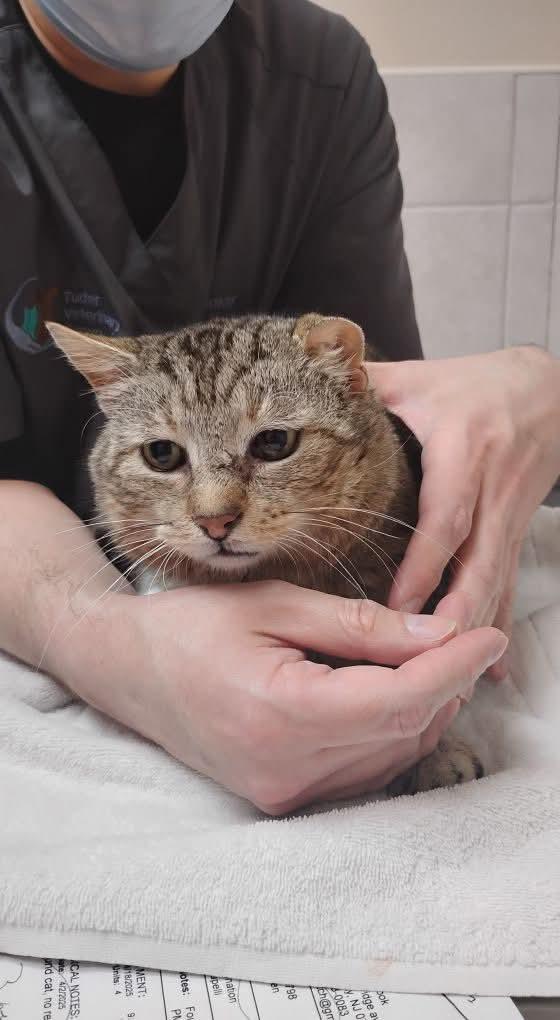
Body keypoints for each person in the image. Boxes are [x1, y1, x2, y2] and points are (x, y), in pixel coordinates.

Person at [0, 0, 557, 814]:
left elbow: (386, 397)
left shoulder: (319, 72)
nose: (217, 509)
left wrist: (539, 385)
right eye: (164, 455)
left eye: (267, 446)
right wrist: (116, 649)